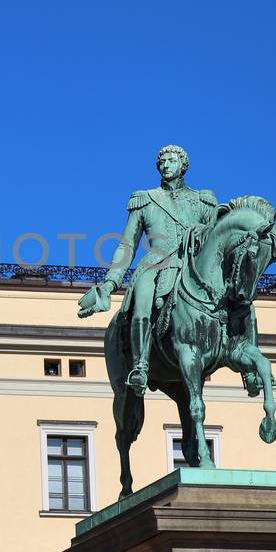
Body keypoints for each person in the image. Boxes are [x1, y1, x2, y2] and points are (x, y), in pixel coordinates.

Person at [77, 145, 219, 392]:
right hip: (156, 264)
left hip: (192, 268)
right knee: (142, 304)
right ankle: (140, 366)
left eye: (171, 160)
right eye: (162, 161)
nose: (166, 165)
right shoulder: (145, 199)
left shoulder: (203, 201)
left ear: (183, 165)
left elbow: (218, 241)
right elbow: (127, 245)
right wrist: (110, 284)